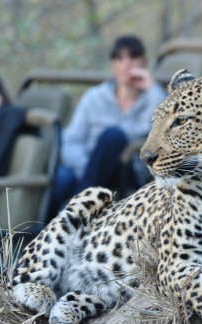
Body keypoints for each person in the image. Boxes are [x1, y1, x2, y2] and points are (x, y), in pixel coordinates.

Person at [52, 34, 166, 212]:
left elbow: (162, 124)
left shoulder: (152, 99)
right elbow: (71, 140)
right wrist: (89, 166)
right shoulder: (94, 97)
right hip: (88, 168)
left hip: (128, 170)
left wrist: (151, 86)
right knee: (60, 178)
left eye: (133, 56)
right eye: (119, 58)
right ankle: (26, 232)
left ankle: (73, 214)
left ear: (144, 61)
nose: (126, 63)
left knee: (113, 136)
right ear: (113, 64)